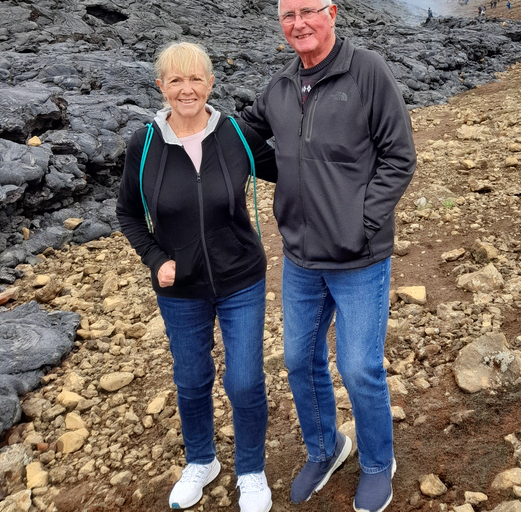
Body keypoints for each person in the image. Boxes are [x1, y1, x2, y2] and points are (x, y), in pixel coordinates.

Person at [241, 1, 416, 511]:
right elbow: (241, 140)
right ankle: (326, 448)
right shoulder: (278, 88)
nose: (298, 23)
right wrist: (181, 123)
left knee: (360, 368)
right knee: (299, 359)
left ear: (332, 13)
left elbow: (399, 155)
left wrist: (361, 219)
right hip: (300, 257)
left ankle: (379, 463)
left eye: (307, 11)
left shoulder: (368, 72)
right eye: (287, 15)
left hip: (359, 258)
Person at [115, 41, 277, 512]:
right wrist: (154, 258)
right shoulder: (143, 144)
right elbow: (127, 212)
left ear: (211, 83)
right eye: (176, 80)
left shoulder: (236, 134)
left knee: (245, 381)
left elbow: (293, 170)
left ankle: (250, 470)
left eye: (196, 79)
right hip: (179, 288)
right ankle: (202, 461)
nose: (187, 90)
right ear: (161, 86)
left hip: (241, 279)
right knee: (191, 378)